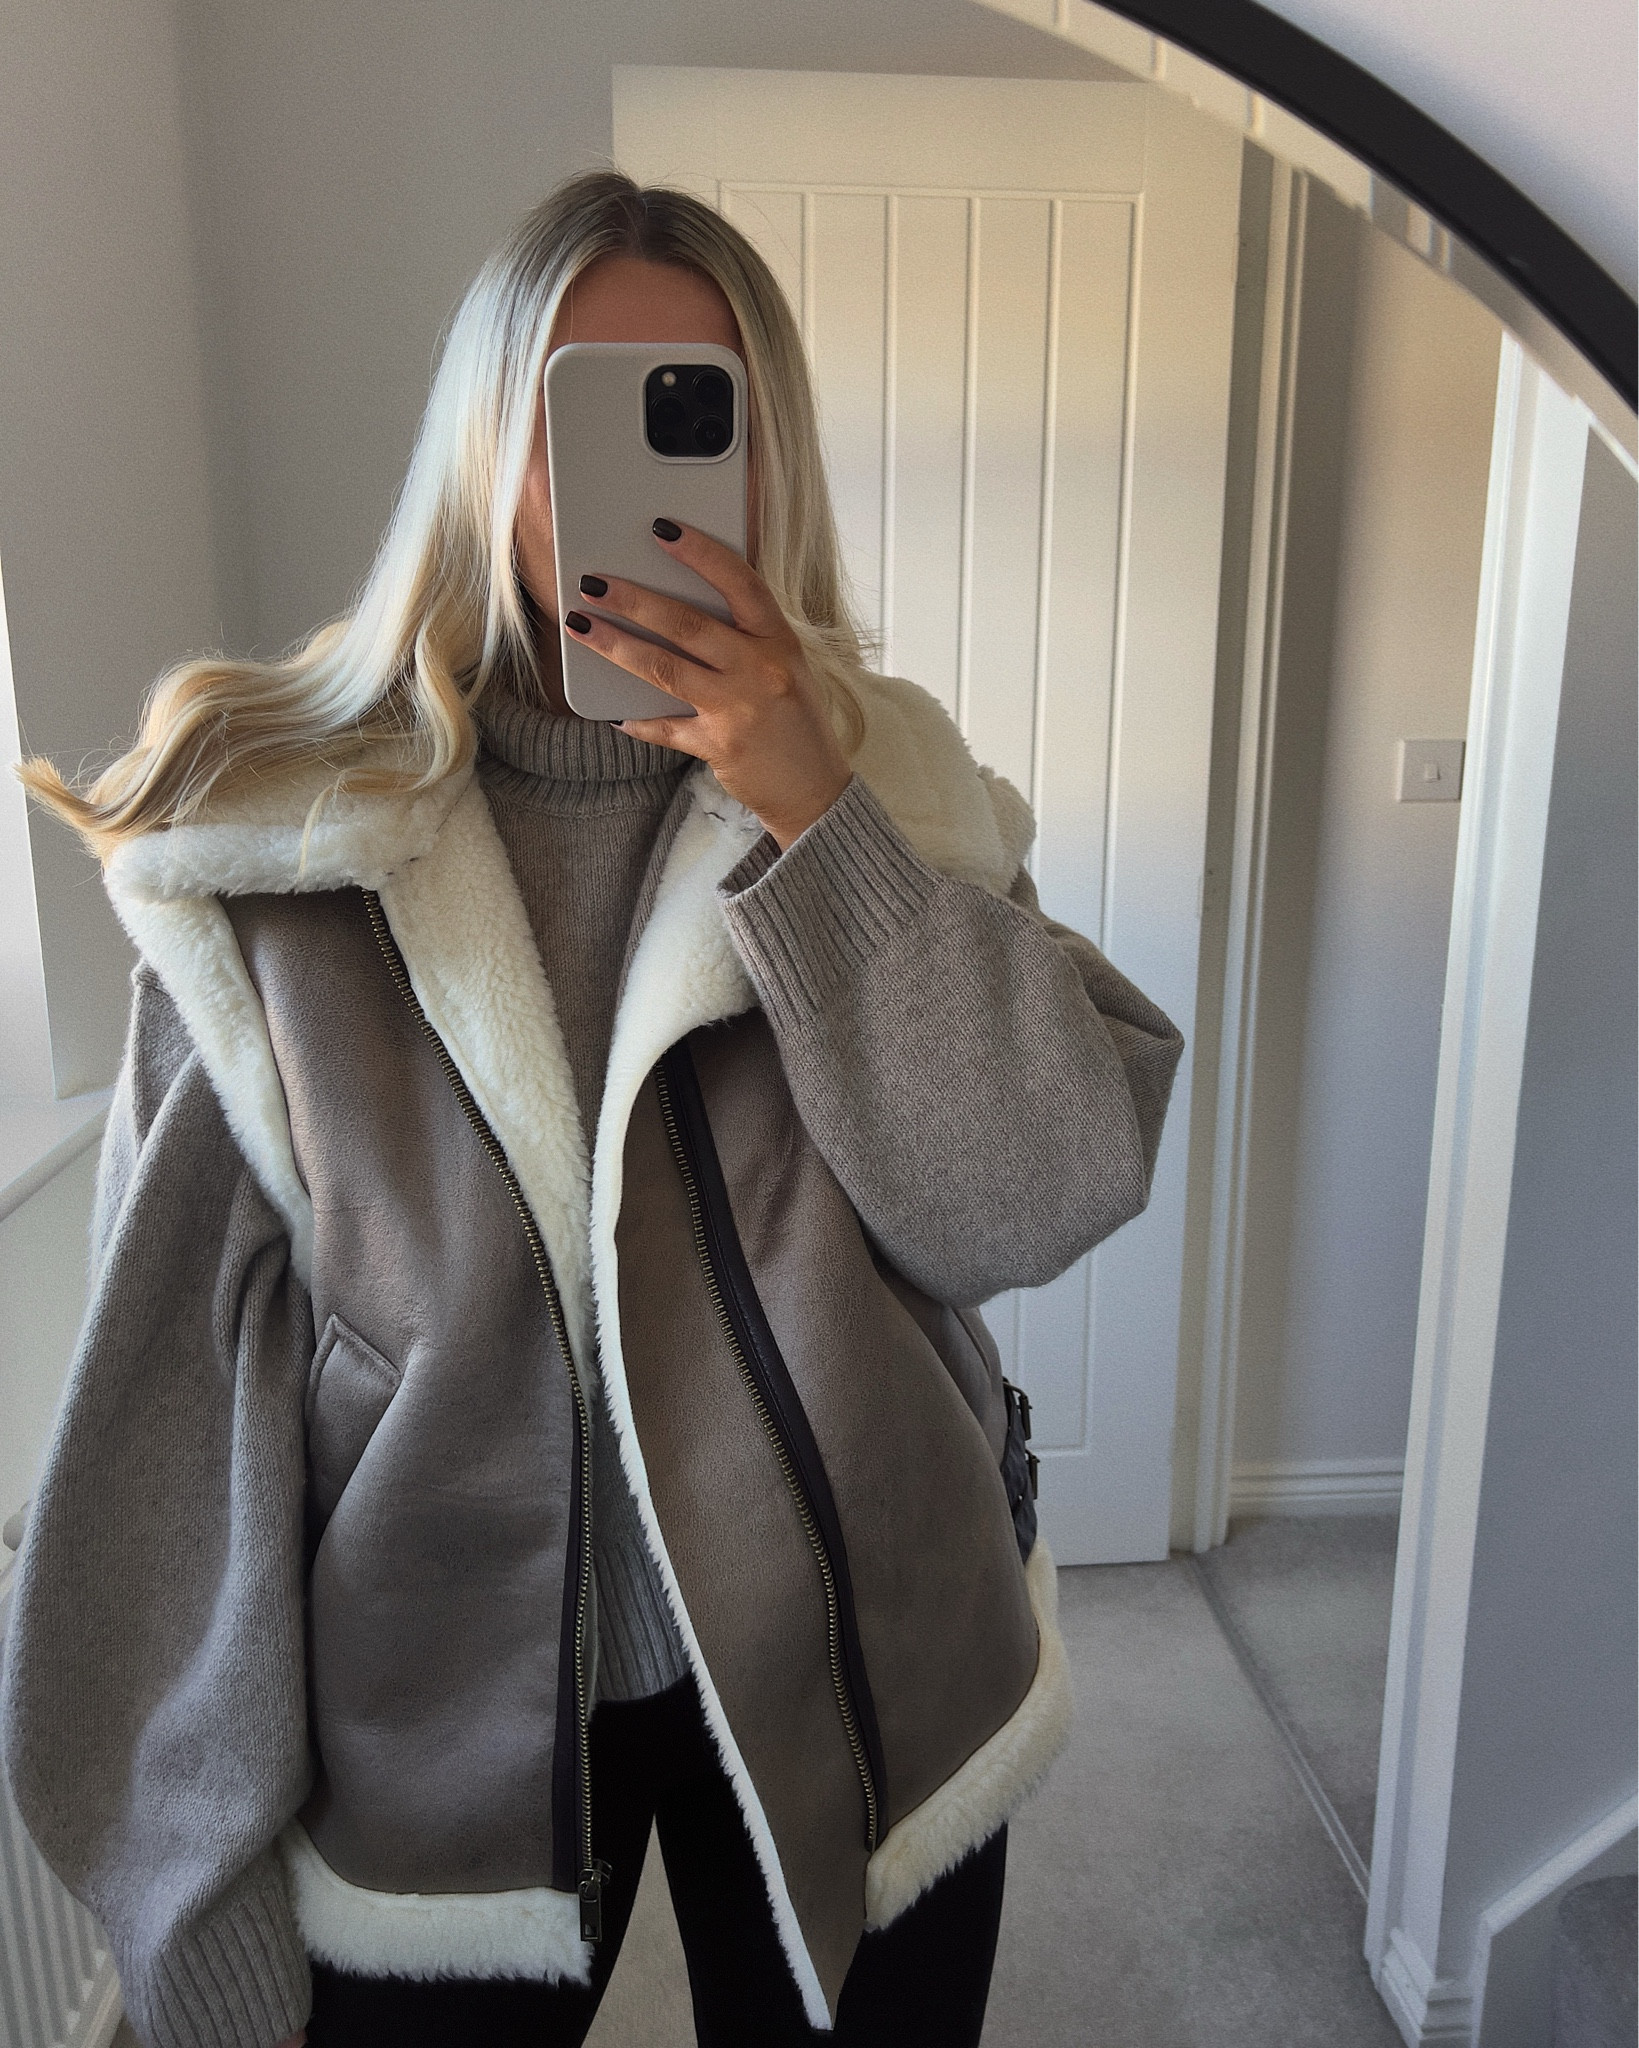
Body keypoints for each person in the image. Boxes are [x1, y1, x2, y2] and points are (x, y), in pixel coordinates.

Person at [0, 171, 1183, 2048]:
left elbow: (1029, 1197)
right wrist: (193, 1895)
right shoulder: (285, 849)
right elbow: (170, 1422)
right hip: (438, 1714)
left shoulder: (887, 783)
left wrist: (820, 827)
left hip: (869, 1657)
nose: (632, 483)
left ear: (769, 466)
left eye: (696, 418)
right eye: (576, 414)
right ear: (487, 450)